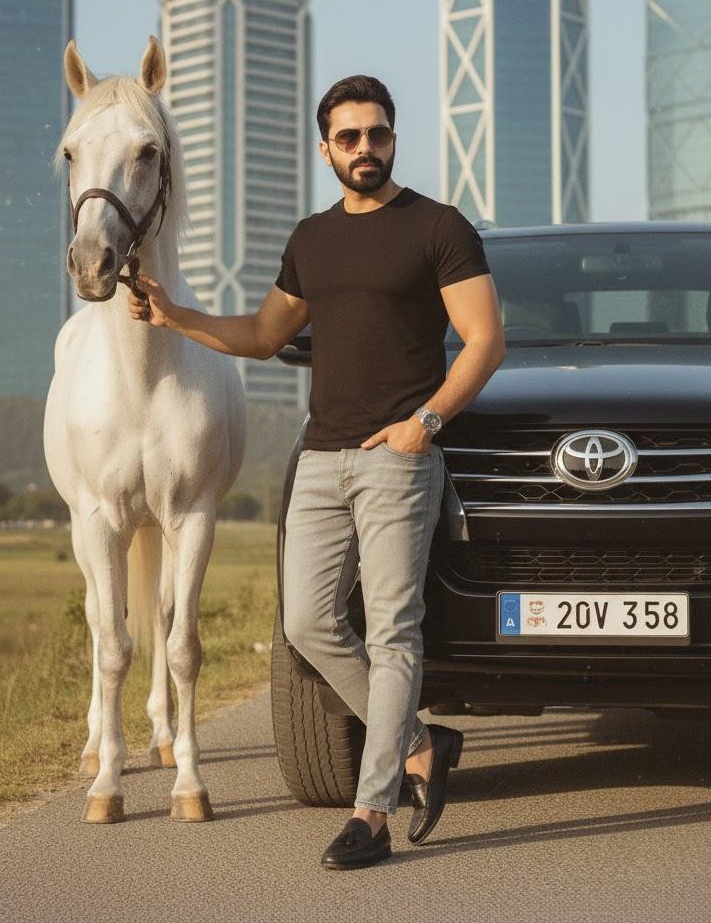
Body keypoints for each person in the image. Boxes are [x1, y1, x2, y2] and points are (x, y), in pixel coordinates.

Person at [128, 74, 504, 869]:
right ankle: (421, 741)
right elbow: (266, 335)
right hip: (324, 460)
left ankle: (373, 813)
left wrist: (424, 425)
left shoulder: (439, 228)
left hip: (398, 462)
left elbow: (484, 342)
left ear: (393, 139)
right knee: (306, 623)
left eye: (378, 134)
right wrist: (177, 316)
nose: (365, 148)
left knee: (396, 633)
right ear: (326, 147)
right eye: (350, 137)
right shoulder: (311, 238)